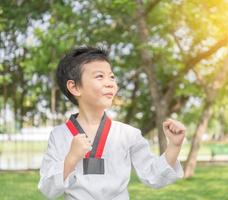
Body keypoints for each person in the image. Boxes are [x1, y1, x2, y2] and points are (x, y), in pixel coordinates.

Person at [38, 46, 186, 200]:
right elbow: (48, 189)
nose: (110, 83)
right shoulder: (59, 135)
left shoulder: (129, 134)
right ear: (74, 87)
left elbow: (153, 175)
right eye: (99, 76)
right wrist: (71, 158)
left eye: (112, 77)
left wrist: (174, 146)